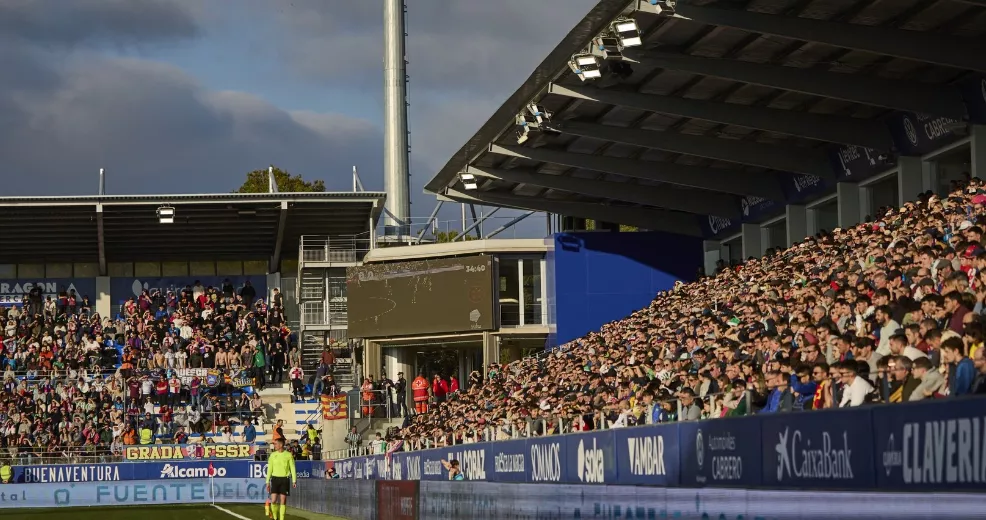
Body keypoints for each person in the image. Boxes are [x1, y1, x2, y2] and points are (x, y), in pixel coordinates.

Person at [265, 438, 296, 520]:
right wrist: (267, 481)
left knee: (283, 500)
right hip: (275, 479)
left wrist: (294, 480)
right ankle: (275, 517)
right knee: (274, 500)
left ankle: (282, 519)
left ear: (281, 445)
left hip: (284, 479)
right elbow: (269, 469)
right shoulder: (272, 455)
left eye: (275, 444)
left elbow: (292, 468)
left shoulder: (288, 455)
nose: (274, 445)